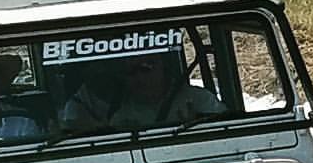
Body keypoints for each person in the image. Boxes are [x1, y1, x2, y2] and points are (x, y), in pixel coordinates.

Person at [61, 50, 226, 135]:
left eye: (147, 68)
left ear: (163, 68)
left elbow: (225, 130)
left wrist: (198, 127)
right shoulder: (122, 115)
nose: (139, 77)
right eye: (131, 71)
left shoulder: (200, 100)